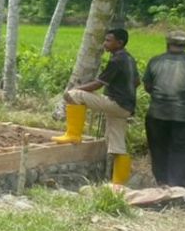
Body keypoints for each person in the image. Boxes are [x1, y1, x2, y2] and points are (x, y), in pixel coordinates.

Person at [53, 28, 140, 186]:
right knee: (118, 145)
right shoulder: (129, 58)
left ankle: (73, 134)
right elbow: (137, 83)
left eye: (108, 40)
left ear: (119, 43)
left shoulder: (116, 60)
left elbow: (98, 84)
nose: (104, 43)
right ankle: (118, 186)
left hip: (116, 103)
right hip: (126, 107)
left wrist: (77, 89)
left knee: (73, 95)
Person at [143, 30, 185, 188]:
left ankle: (162, 185)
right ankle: (176, 187)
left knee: (158, 151)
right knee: (181, 153)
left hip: (156, 115)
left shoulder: (155, 61)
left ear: (167, 43)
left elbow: (148, 86)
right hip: (182, 116)